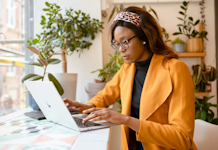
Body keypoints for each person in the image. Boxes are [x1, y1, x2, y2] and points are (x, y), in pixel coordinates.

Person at [64, 6, 197, 150]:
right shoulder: (128, 68)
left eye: (125, 41)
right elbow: (105, 96)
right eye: (117, 43)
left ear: (144, 37)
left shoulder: (176, 69)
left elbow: (182, 138)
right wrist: (85, 107)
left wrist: (125, 119)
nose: (121, 49)